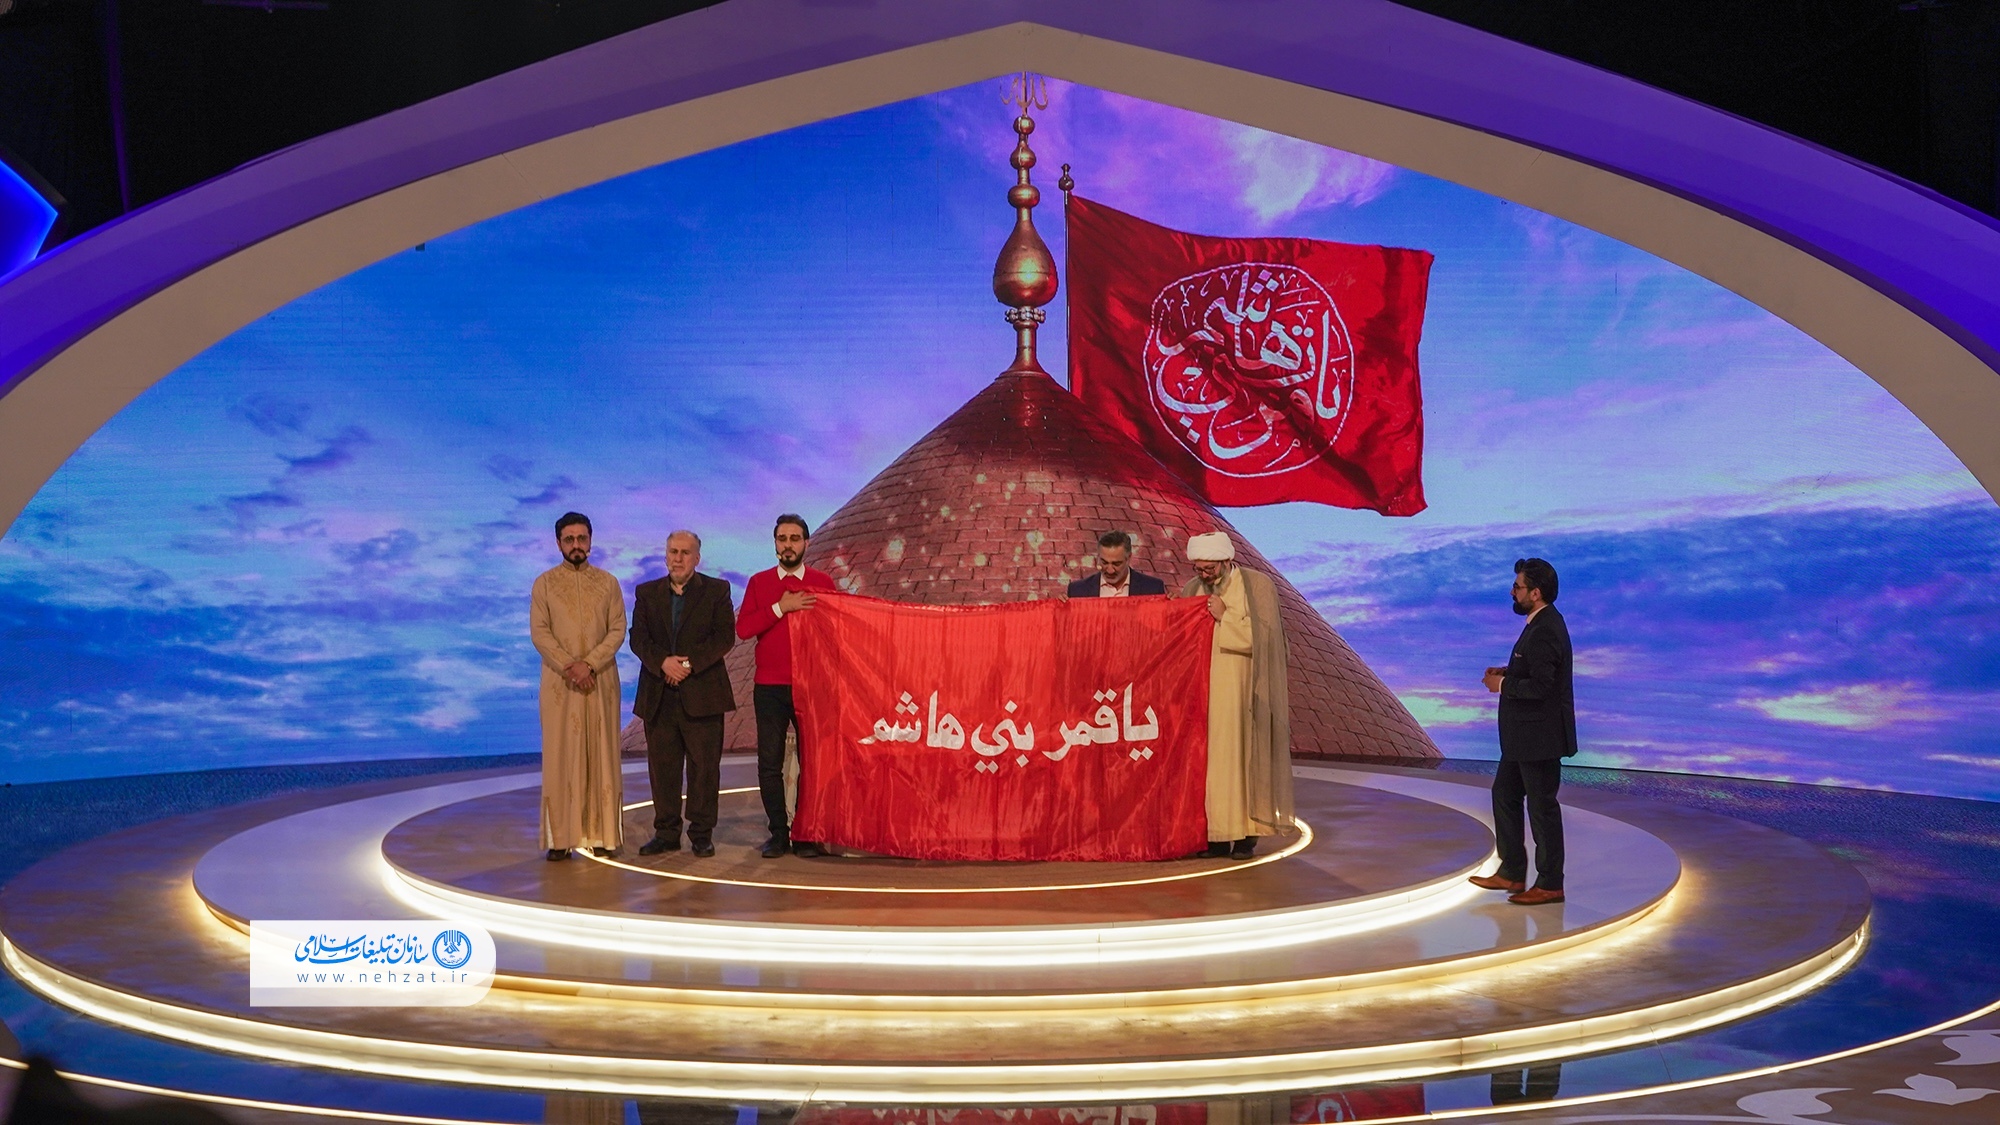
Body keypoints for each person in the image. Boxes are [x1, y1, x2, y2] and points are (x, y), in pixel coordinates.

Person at [1180, 531, 1295, 858]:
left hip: (1241, 691)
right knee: (1209, 766)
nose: (1204, 576)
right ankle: (1216, 837)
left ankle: (1246, 837)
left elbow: (1270, 640)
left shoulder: (1256, 586)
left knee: (1241, 761)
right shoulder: (1192, 589)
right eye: (1199, 569)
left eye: (1209, 569)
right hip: (1204, 694)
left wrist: (1224, 616)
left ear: (1227, 561)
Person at [1472, 557, 1577, 905]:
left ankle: (1550, 883)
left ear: (1536, 592)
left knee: (1542, 808)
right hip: (1523, 740)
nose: (1512, 592)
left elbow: (1543, 687)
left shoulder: (1546, 628)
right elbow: (1535, 670)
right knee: (1505, 795)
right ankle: (1513, 871)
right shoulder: (1539, 624)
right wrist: (1507, 672)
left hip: (1539, 738)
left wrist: (1502, 685)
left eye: (1517, 587)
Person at [735, 514, 839, 858]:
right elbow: (744, 629)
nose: (788, 545)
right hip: (770, 687)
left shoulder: (822, 582)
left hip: (810, 686)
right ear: (775, 544)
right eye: (782, 539)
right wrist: (782, 606)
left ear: (806, 543)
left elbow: (837, 629)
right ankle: (779, 833)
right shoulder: (759, 582)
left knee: (813, 762)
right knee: (769, 762)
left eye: (795, 538)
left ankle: (806, 833)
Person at [629, 530, 736, 858]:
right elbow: (638, 638)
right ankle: (667, 833)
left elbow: (724, 637)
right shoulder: (646, 593)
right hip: (659, 695)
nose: (678, 558)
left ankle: (701, 834)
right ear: (665, 556)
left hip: (703, 694)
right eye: (673, 552)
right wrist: (663, 662)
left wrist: (687, 664)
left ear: (696, 558)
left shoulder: (717, 590)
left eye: (685, 552)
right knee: (663, 769)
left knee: (704, 769)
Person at [529, 512, 627, 862]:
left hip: (600, 682)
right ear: (558, 543)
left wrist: (590, 664)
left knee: (602, 755)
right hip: (561, 685)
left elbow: (617, 629)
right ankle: (561, 839)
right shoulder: (544, 584)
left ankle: (603, 836)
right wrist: (571, 667)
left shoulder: (608, 583)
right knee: (561, 757)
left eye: (581, 538)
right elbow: (540, 633)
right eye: (569, 539)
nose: (576, 545)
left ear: (590, 541)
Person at [1066, 530, 1167, 598]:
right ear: (1098, 557)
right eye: (1104, 562)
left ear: (1129, 558)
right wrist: (1060, 608)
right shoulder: (1078, 591)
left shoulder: (1152, 589)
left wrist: (1173, 606)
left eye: (1116, 564)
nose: (1110, 570)